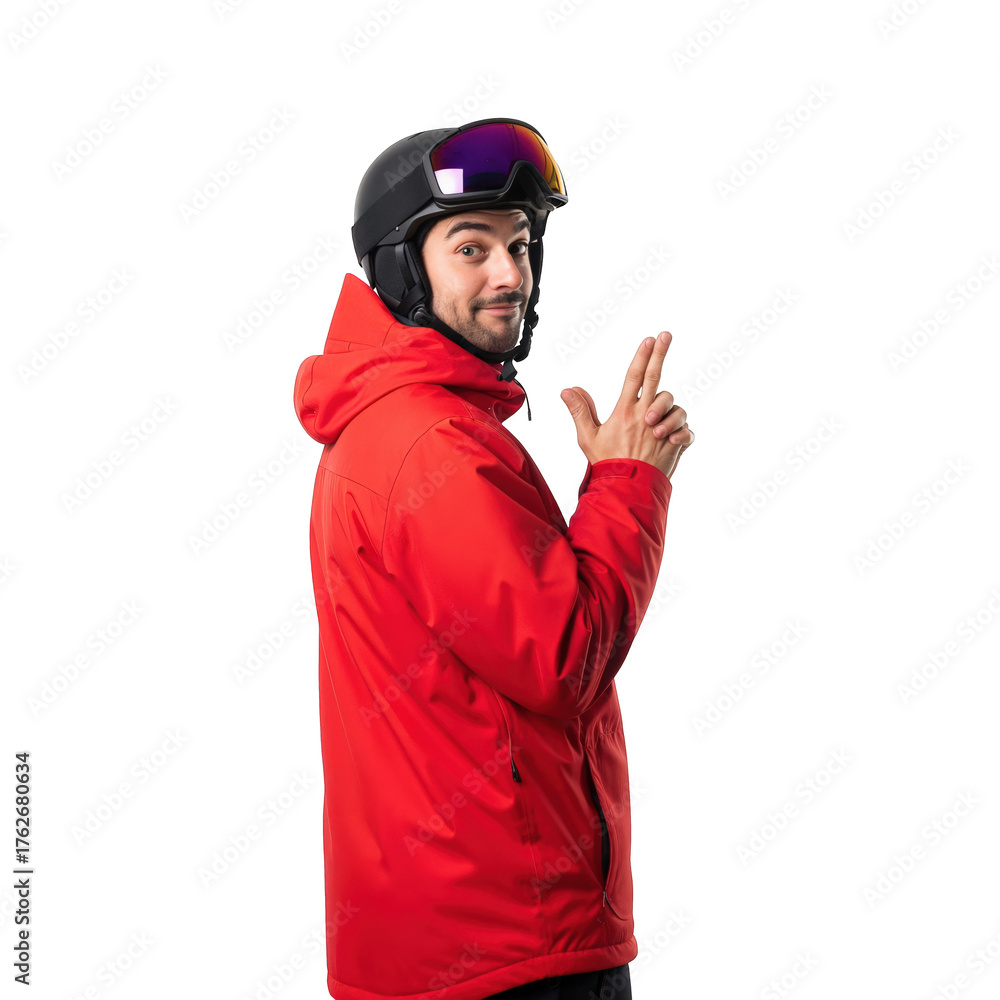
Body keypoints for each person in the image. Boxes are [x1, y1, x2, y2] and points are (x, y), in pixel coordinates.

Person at [293, 118, 693, 1000]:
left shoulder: (397, 425)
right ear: (403, 268)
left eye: (519, 244)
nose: (510, 273)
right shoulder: (430, 444)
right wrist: (629, 483)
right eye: (471, 248)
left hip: (448, 946)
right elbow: (561, 656)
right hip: (509, 949)